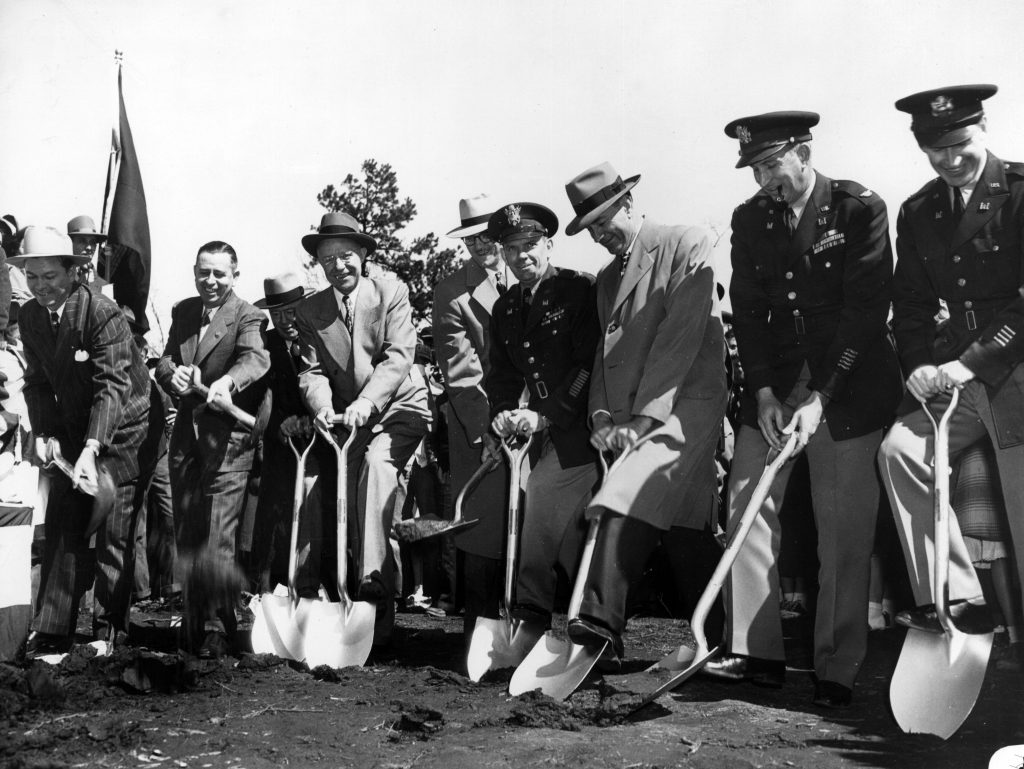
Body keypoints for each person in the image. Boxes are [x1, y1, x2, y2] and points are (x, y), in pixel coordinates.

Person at [703, 112, 901, 708]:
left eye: (772, 165)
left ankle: (836, 664)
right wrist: (762, 391)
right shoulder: (749, 218)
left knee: (842, 531)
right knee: (745, 505)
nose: (765, 181)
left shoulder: (858, 208)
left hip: (848, 386)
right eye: (755, 170)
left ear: (804, 151)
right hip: (778, 387)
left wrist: (823, 396)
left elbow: (865, 311)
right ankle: (755, 651)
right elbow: (747, 305)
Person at [561, 162, 728, 665]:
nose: (598, 237)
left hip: (686, 404)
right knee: (684, 527)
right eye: (589, 229)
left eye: (604, 222)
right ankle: (724, 636)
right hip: (636, 414)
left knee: (623, 495)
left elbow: (677, 342)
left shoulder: (687, 243)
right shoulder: (608, 278)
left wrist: (642, 421)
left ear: (628, 203)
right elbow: (604, 356)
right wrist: (601, 416)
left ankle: (599, 621)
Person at [879, 84, 1024, 641]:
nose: (951, 159)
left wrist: (974, 361)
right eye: (936, 150)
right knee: (899, 451)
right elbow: (911, 302)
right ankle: (956, 596)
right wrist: (916, 362)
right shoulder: (919, 210)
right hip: (954, 381)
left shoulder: (1017, 192)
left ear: (983, 129)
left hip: (1011, 374)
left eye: (960, 143)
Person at [14, 226, 161, 657]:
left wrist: (93, 450)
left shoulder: (102, 312)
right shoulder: (30, 317)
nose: (41, 287)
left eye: (50, 277)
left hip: (129, 429)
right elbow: (38, 382)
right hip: (78, 432)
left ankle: (107, 629)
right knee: (63, 519)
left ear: (73, 272)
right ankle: (54, 630)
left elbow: (111, 387)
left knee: (114, 528)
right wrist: (45, 433)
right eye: (33, 277)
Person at [294, 212, 431, 646]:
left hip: (398, 408)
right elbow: (311, 372)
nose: (339, 266)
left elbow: (398, 356)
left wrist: (366, 401)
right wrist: (321, 406)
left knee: (375, 469)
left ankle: (375, 586)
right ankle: (363, 618)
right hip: (351, 421)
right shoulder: (310, 310)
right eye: (328, 259)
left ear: (364, 254)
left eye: (347, 255)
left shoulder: (391, 292)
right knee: (352, 502)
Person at [484, 202, 600, 635]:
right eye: (512, 249)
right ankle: (591, 625)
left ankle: (530, 612)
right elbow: (502, 374)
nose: (522, 256)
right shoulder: (506, 307)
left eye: (530, 245)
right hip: (539, 433)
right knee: (565, 534)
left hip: (583, 430)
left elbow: (588, 365)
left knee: (541, 498)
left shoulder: (578, 290)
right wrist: (500, 415)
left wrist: (546, 416)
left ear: (549, 245)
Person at [155, 241, 270, 658]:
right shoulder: (184, 312)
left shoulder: (247, 315)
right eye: (204, 272)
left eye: (220, 274)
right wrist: (174, 376)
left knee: (218, 535)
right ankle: (192, 622)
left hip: (228, 443)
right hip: (186, 441)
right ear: (194, 271)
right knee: (187, 531)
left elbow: (256, 359)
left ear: (235, 275)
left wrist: (229, 383)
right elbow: (165, 360)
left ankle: (218, 629)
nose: (211, 281)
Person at [431, 195, 513, 639]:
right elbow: (461, 372)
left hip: (531, 423)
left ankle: (525, 624)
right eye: (470, 239)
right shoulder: (451, 292)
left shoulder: (527, 270)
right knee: (483, 528)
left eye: (487, 235)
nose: (480, 245)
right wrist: (492, 429)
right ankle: (479, 632)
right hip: (478, 426)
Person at [250, 272, 320, 595]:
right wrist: (280, 424)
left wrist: (311, 421)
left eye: (290, 311)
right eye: (276, 314)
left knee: (312, 517)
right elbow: (261, 393)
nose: (284, 320)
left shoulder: (321, 335)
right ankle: (267, 592)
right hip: (280, 448)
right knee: (273, 521)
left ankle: (312, 588)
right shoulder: (265, 345)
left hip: (319, 445)